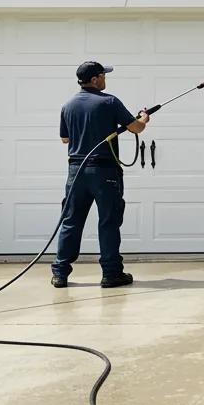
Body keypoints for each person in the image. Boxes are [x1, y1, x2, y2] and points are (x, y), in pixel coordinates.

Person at [52, 61, 150, 288]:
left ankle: (60, 274)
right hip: (104, 172)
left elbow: (65, 139)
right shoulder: (109, 101)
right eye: (103, 75)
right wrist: (143, 117)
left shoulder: (67, 105)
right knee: (108, 222)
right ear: (95, 80)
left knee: (71, 221)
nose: (105, 79)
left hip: (76, 172)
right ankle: (111, 274)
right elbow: (136, 128)